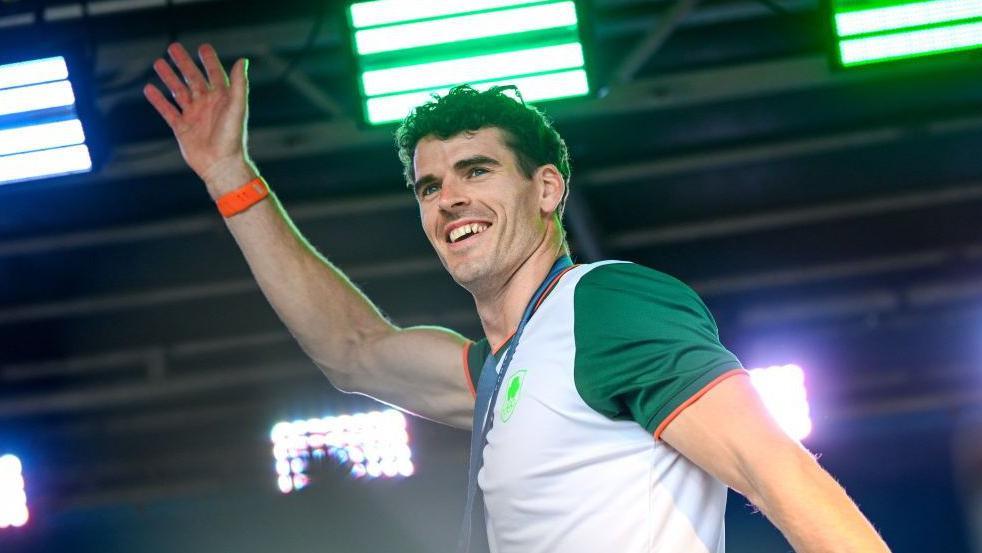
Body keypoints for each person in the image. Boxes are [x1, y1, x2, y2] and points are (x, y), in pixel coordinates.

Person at [144, 42, 891, 553]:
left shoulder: (604, 304)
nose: (449, 199)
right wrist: (230, 179)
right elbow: (354, 351)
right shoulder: (502, 371)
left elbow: (776, 468)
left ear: (546, 189)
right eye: (430, 185)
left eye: (476, 170)